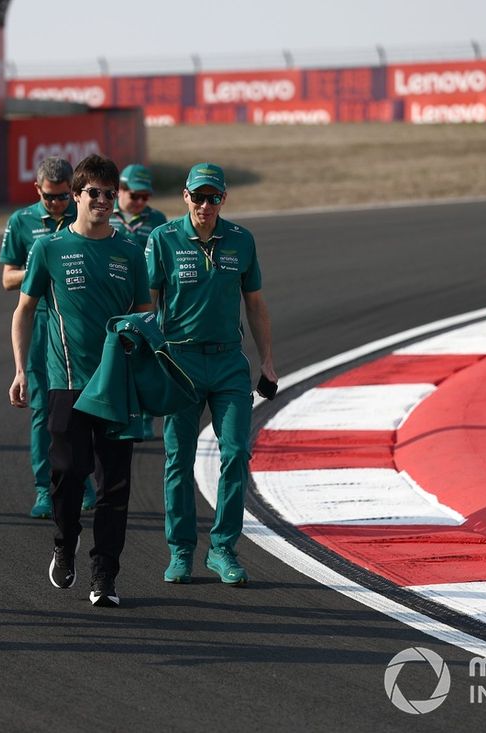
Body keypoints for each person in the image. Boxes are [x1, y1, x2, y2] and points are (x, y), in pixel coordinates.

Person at [9, 154, 151, 607]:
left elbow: (145, 315)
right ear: (76, 196)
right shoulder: (49, 248)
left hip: (117, 388)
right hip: (65, 382)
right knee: (69, 474)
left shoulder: (130, 251)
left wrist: (146, 366)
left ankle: (104, 575)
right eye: (95, 193)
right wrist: (18, 370)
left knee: (115, 487)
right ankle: (64, 543)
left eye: (111, 194)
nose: (104, 201)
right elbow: (24, 310)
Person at [146, 163, 277, 586]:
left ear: (224, 199)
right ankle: (181, 550)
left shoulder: (241, 240)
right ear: (184, 197)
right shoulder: (162, 239)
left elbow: (254, 304)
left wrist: (268, 362)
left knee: (237, 452)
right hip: (179, 362)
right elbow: (148, 306)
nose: (205, 205)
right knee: (178, 459)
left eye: (213, 197)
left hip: (228, 364)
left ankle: (222, 549)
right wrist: (146, 361)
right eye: (198, 197)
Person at [0, 156, 96, 519]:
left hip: (81, 322)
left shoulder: (85, 213)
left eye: (63, 197)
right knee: (43, 409)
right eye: (50, 197)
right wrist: (43, 266)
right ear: (37, 190)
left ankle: (84, 479)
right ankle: (45, 487)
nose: (57, 204)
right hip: (41, 324)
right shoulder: (21, 222)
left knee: (86, 406)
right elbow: (8, 278)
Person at [110, 164, 168, 439]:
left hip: (144, 298)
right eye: (135, 196)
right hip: (111, 296)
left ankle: (144, 416)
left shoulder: (157, 219)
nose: (141, 202)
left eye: (146, 197)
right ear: (120, 190)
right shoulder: (104, 216)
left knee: (143, 357)